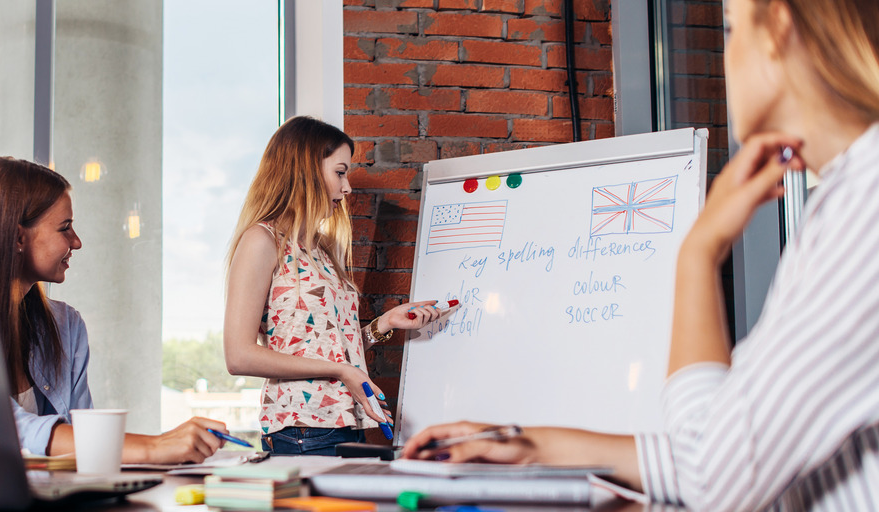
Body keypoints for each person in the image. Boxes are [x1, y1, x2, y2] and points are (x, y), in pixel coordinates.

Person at [403, 0, 879, 509]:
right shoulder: (849, 199)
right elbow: (729, 446)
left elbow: (713, 478)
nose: (725, 54)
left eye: (731, 27)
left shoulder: (866, 208)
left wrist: (697, 253)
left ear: (778, 28)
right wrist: (527, 446)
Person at [0, 157, 228, 463]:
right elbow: (4, 428)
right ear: (18, 237)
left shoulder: (66, 325)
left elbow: (84, 442)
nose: (77, 242)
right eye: (65, 228)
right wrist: (154, 447)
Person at [223, 116, 442, 455]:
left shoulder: (323, 250)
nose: (347, 187)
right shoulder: (262, 241)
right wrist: (340, 371)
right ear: (305, 170)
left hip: (346, 426)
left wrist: (384, 325)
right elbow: (238, 356)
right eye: (340, 172)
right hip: (301, 432)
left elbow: (332, 347)